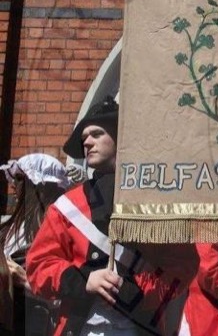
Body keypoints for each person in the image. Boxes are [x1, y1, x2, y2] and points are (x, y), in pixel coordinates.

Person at [26, 96, 198, 336]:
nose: (87, 142)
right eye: (84, 137)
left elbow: (183, 265)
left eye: (97, 134)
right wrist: (84, 280)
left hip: (138, 327)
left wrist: (137, 292)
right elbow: (38, 268)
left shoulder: (155, 202)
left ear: (121, 137)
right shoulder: (67, 206)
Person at [0, 154, 72, 335]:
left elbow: (68, 296)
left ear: (38, 186)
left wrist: (23, 279)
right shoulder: (10, 227)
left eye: (19, 178)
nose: (13, 185)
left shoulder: (61, 231)